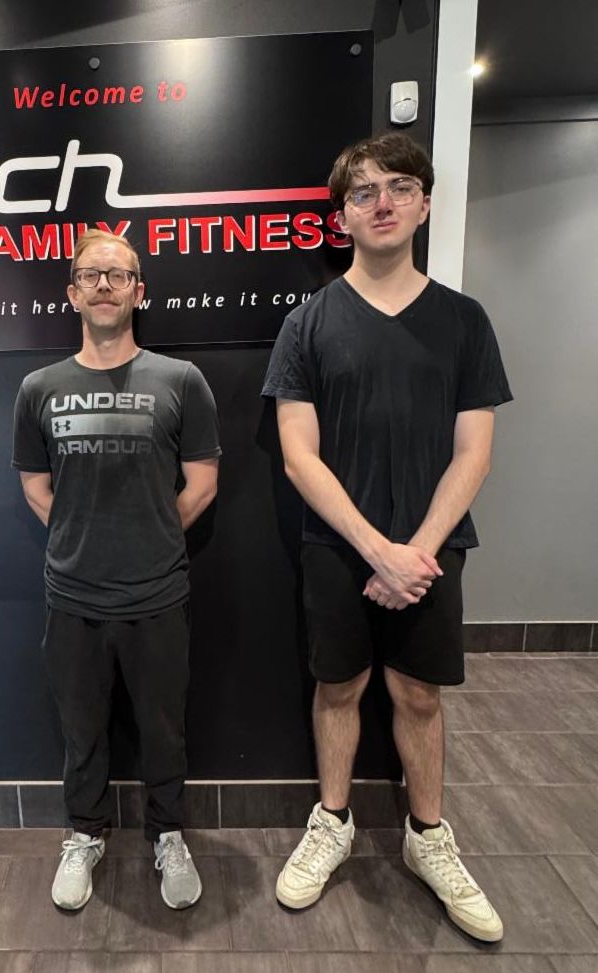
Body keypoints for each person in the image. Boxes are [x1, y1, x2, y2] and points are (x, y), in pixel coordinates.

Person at [261, 132, 512, 942]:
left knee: (418, 694)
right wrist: (376, 550)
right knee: (338, 686)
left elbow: (474, 453)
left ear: (424, 204)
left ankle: (427, 835)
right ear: (342, 216)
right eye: (363, 192)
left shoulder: (465, 321)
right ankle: (331, 822)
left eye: (399, 187)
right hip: (339, 548)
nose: (382, 203)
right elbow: (298, 456)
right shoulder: (307, 324)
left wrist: (416, 553)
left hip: (431, 551)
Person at [12, 229, 220, 912]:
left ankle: (168, 835)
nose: (103, 285)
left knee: (164, 728)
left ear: (139, 291)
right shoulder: (39, 388)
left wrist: (147, 538)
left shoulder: (180, 381)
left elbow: (202, 484)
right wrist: (86, 538)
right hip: (72, 595)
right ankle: (85, 834)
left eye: (118, 274)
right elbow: (36, 486)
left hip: (157, 592)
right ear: (72, 292)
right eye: (90, 275)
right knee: (81, 730)